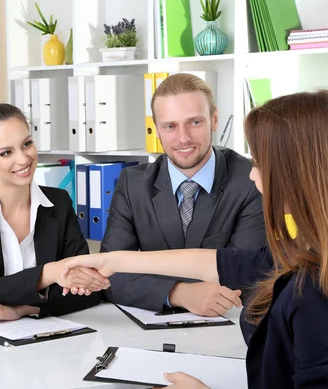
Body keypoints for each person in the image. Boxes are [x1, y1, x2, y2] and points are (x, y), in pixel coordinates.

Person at [62, 91, 328, 388]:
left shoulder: (314, 291)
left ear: (294, 171)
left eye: (259, 163)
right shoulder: (308, 253)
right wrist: (109, 259)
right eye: (170, 125)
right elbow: (226, 262)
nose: (253, 176)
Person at [101, 73, 266, 316]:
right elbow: (109, 275)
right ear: (156, 129)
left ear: (215, 119)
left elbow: (249, 275)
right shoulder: (132, 183)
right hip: (147, 328)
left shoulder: (252, 180)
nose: (183, 138)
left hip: (227, 327)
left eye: (195, 123)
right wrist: (177, 293)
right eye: (170, 126)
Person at [0, 103, 107, 329]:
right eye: (6, 152)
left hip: (45, 334)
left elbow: (88, 290)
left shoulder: (58, 202)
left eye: (26, 144)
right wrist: (50, 273)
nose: (23, 159)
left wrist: (20, 310)